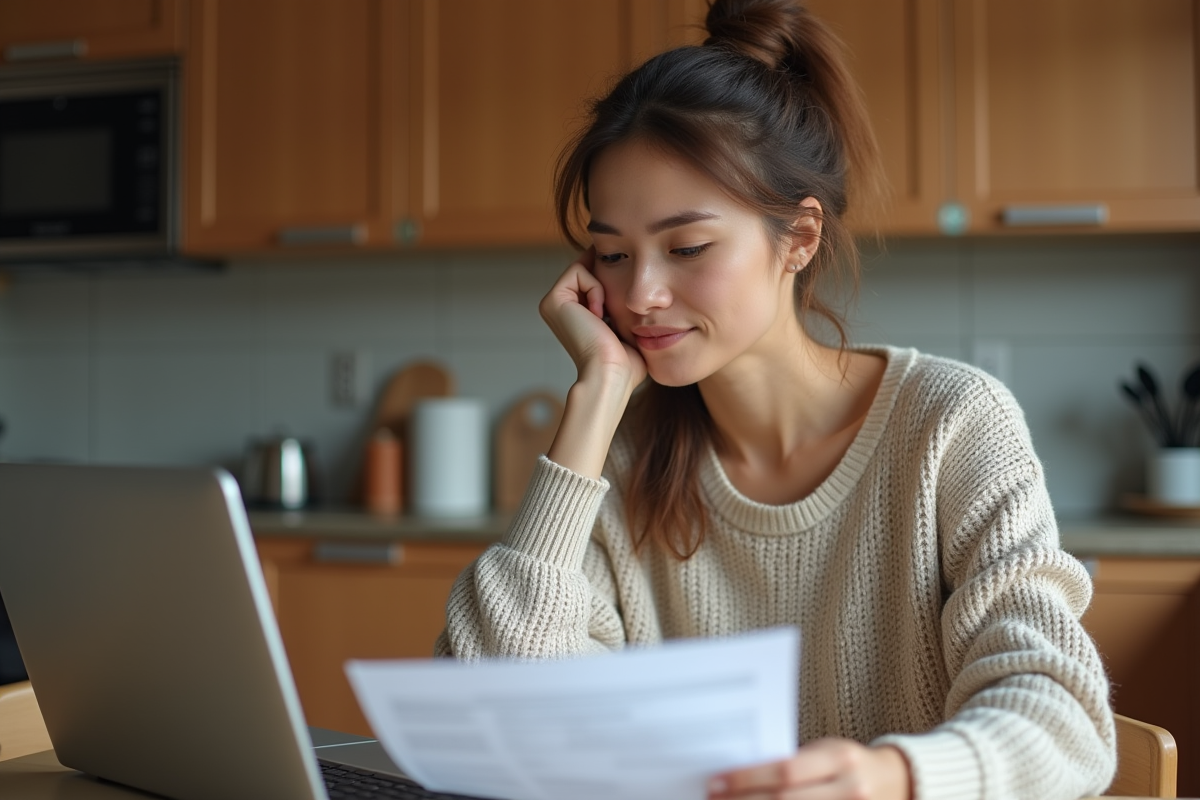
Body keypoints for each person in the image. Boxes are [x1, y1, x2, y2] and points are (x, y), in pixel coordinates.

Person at [435, 1, 1116, 797]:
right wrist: (593, 401)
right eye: (612, 253)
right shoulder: (615, 460)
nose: (641, 294)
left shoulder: (952, 424)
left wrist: (892, 777)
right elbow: (494, 707)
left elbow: (1063, 712)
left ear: (798, 237)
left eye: (687, 247)